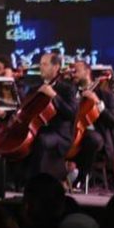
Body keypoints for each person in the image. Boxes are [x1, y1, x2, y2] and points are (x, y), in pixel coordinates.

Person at [24, 52, 77, 181]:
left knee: (41, 140)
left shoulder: (67, 88)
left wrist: (54, 95)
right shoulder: (35, 88)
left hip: (59, 134)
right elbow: (25, 110)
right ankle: (19, 180)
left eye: (45, 64)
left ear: (56, 67)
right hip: (39, 130)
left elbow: (71, 114)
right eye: (40, 64)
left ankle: (37, 181)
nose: (41, 67)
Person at [64, 59, 114, 189]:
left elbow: (113, 122)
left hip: (96, 135)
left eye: (76, 71)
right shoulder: (70, 91)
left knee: (92, 139)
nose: (73, 74)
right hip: (72, 132)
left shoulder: (105, 94)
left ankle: (81, 178)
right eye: (72, 72)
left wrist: (97, 102)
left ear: (87, 71)